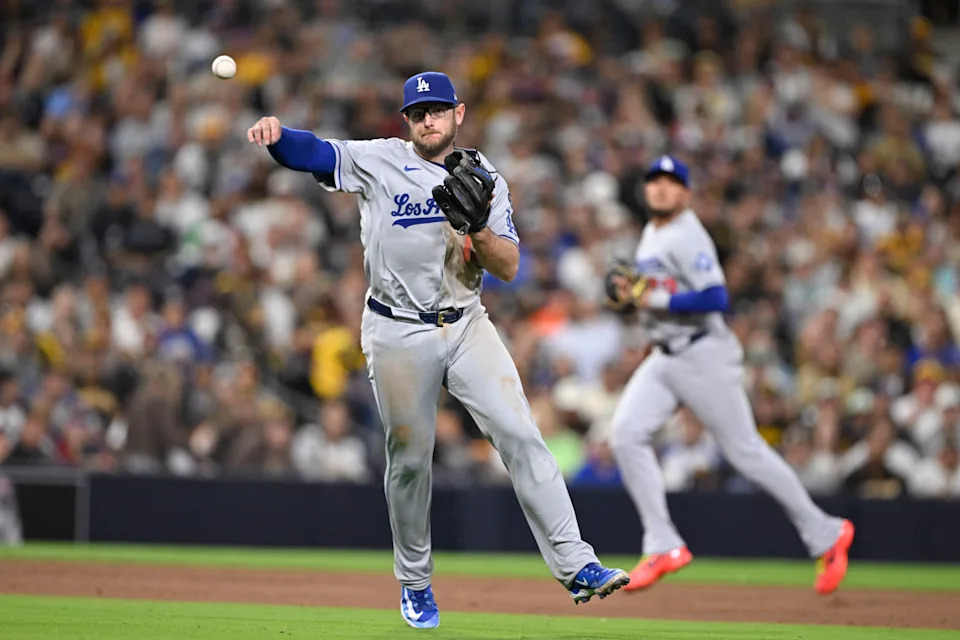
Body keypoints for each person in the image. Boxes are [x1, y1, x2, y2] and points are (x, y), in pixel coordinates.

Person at [248, 71, 628, 630]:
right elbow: (314, 152)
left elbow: (508, 267)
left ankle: (578, 565)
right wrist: (278, 135)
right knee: (409, 459)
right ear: (407, 121)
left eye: (438, 109)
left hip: (466, 321)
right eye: (418, 112)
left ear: (459, 114)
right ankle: (415, 584)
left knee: (521, 433)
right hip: (397, 328)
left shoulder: (484, 176)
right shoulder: (380, 159)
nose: (429, 120)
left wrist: (476, 226)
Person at [604, 155, 854, 595]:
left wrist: (653, 304)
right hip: (666, 356)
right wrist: (646, 315)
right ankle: (662, 543)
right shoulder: (653, 231)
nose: (660, 189)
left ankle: (827, 533)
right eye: (654, 182)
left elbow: (716, 296)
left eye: (670, 182)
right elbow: (660, 293)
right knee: (625, 433)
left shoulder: (688, 234)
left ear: (686, 192)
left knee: (745, 452)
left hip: (704, 355)